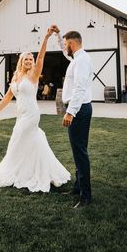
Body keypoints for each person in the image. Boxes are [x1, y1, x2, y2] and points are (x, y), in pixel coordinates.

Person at [0, 27, 71, 193]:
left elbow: (41, 56)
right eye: (26, 59)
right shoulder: (16, 77)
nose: (29, 61)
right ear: (21, 61)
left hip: (32, 114)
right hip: (21, 115)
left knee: (17, 139)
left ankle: (20, 171)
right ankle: (30, 170)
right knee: (29, 142)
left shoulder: (33, 74)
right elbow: (7, 97)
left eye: (30, 59)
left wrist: (46, 37)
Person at [55, 25, 94, 209]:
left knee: (80, 152)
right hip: (79, 108)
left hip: (78, 110)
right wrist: (56, 34)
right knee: (77, 151)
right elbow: (64, 52)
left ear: (72, 43)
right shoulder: (76, 59)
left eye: (65, 44)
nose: (64, 47)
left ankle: (86, 195)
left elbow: (79, 87)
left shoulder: (82, 60)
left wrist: (70, 112)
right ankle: (78, 188)